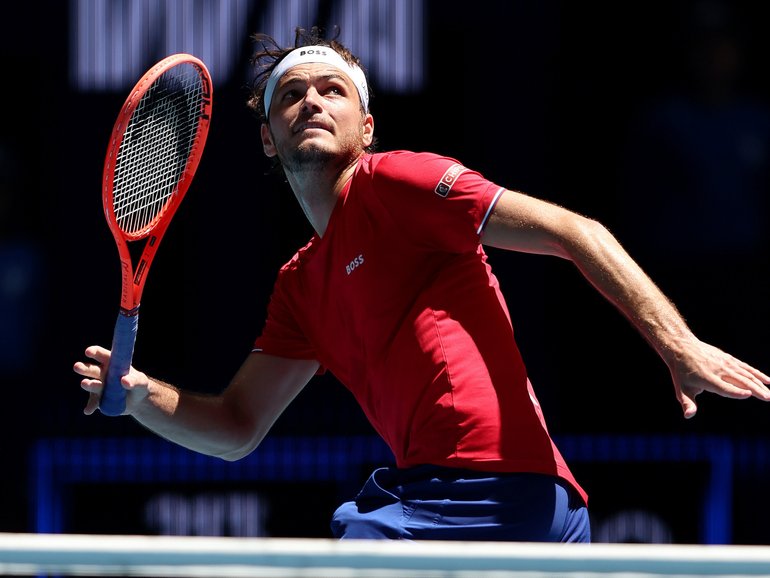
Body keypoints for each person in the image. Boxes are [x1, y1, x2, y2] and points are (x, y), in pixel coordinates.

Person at [73, 27, 770, 543]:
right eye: (291, 95)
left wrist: (679, 346)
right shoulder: (301, 286)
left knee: (352, 549)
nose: (311, 101)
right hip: (485, 507)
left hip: (496, 492)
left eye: (331, 90)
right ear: (266, 138)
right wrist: (140, 399)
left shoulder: (397, 184)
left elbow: (573, 231)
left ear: (366, 127)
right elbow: (236, 427)